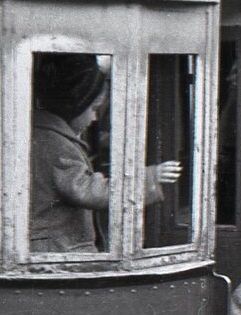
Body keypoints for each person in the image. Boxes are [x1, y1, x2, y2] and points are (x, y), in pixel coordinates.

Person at [30, 53, 182, 252]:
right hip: (59, 250)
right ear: (76, 104)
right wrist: (147, 178)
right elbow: (86, 190)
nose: (94, 118)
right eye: (93, 109)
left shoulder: (44, 133)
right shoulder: (55, 142)